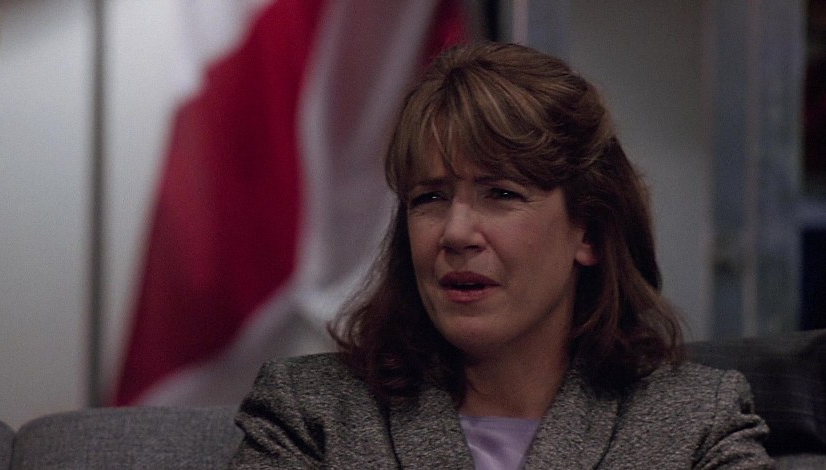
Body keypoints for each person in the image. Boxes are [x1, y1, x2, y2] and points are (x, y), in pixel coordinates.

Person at [230, 42, 773, 469]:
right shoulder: (310, 416)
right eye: (430, 198)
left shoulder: (695, 421)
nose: (456, 233)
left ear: (588, 232)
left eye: (501, 194)